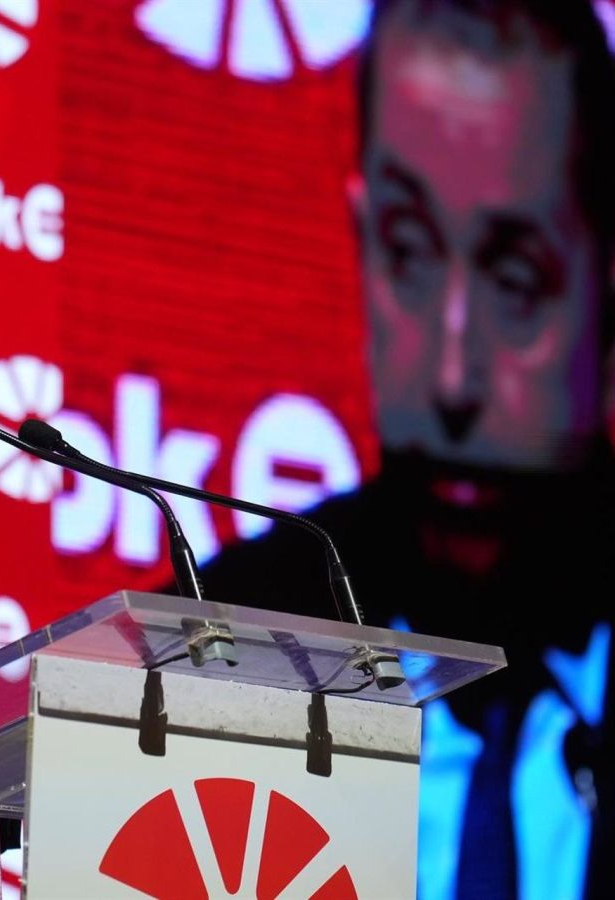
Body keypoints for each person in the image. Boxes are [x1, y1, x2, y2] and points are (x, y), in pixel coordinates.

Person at [197, 2, 614, 897]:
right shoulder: (219, 643)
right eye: (411, 252)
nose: (454, 377)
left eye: (516, 280)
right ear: (362, 240)